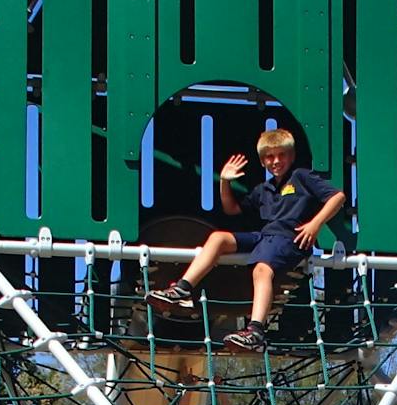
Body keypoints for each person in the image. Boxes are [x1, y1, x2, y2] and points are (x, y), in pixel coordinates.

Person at [143, 127, 346, 353]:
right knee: (218, 238)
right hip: (265, 236)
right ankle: (182, 288)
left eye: (282, 155)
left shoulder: (301, 177)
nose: (276, 161)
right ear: (262, 161)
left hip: (289, 236)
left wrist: (315, 224)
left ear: (292, 155)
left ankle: (256, 330)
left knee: (261, 270)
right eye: (270, 156)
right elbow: (232, 210)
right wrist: (224, 181)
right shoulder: (265, 189)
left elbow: (337, 196)